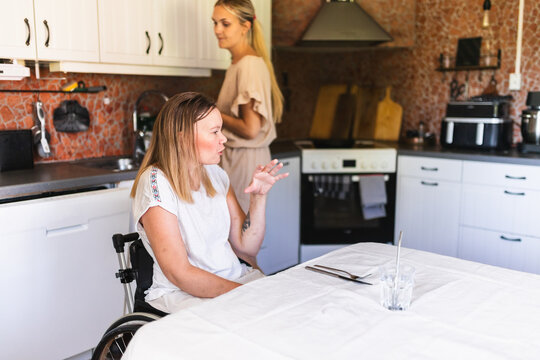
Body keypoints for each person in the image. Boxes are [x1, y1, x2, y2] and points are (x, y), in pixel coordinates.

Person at [130, 92, 288, 314]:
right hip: (183, 295)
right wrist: (243, 294)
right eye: (214, 132)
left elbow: (247, 246)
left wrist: (259, 197)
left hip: (232, 280)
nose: (223, 139)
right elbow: (179, 273)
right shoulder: (156, 182)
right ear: (181, 137)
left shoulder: (216, 174)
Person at [213, 0, 284, 213]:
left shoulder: (248, 66)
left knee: (240, 235)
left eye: (225, 24)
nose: (217, 30)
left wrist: (213, 113)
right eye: (215, 23)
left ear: (245, 27)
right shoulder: (239, 63)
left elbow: (250, 129)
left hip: (244, 161)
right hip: (240, 158)